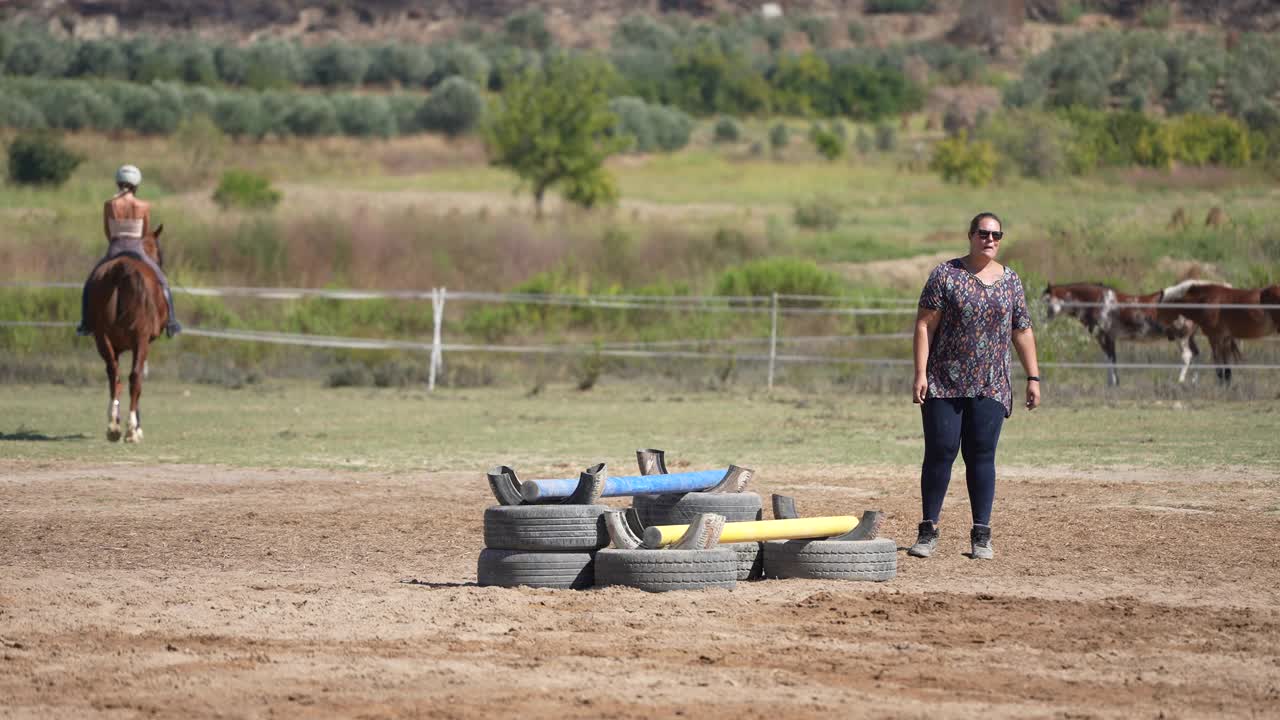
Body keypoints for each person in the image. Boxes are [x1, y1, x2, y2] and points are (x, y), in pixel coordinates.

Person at [908, 212, 1040, 560]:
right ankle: (927, 530)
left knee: (981, 455)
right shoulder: (945, 275)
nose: (990, 240)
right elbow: (925, 325)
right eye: (983, 233)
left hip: (991, 384)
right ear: (970, 235)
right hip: (944, 381)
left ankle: (981, 534)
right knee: (941, 451)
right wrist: (920, 373)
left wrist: (1033, 377)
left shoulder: (1011, 281)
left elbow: (1022, 330)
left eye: (997, 235)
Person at [77, 165, 181, 338]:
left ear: (118, 183)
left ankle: (85, 323)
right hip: (136, 249)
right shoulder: (144, 205)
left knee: (90, 282)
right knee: (162, 281)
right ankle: (171, 321)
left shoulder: (110, 204)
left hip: (115, 247)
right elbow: (144, 232)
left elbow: (107, 229)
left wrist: (116, 242)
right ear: (136, 185)